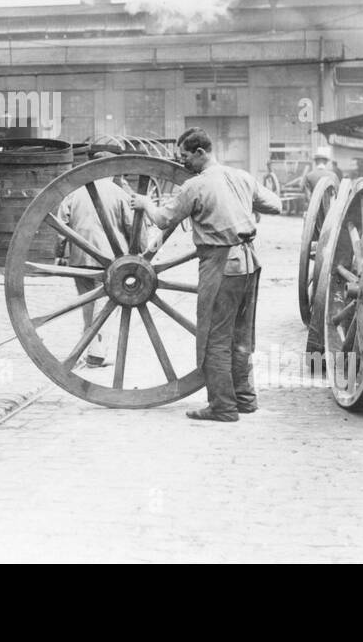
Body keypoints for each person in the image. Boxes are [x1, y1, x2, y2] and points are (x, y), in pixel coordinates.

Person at [132, 127, 281, 422]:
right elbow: (275, 205)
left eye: (185, 157)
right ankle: (245, 400)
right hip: (249, 264)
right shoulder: (241, 177)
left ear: (200, 153)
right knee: (241, 335)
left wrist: (146, 203)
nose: (183, 163)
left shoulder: (194, 186)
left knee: (214, 338)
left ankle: (223, 407)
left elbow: (163, 220)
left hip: (221, 266)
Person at [55, 146, 136, 367]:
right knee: (107, 306)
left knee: (88, 306)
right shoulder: (119, 194)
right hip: (110, 261)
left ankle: (88, 347)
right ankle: (96, 354)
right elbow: (132, 227)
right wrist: (139, 255)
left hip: (80, 259)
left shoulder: (74, 193)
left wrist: (60, 254)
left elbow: (61, 226)